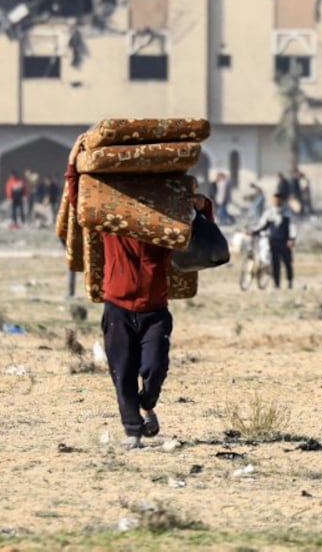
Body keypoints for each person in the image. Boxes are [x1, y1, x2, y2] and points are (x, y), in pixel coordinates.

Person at [98, 184, 211, 450]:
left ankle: (147, 403)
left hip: (155, 310)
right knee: (122, 372)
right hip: (117, 309)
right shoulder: (111, 228)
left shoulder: (163, 232)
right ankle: (133, 431)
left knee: (155, 367)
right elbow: (83, 200)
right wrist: (72, 166)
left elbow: (200, 237)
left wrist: (203, 207)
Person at [254, 193, 296, 290]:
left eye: (277, 200)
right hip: (273, 242)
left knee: (287, 263)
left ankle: (289, 282)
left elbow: (293, 226)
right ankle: (276, 284)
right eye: (274, 200)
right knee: (275, 264)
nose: (275, 202)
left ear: (281, 201)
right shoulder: (269, 212)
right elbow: (263, 225)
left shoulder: (287, 213)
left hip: (285, 242)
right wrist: (254, 231)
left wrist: (292, 239)